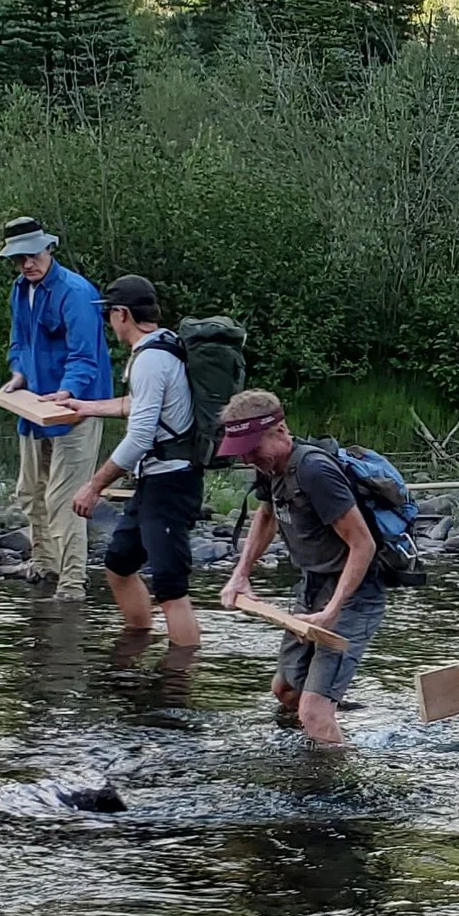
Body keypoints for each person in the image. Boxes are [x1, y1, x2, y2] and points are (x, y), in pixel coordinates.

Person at [217, 389, 383, 745]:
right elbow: (266, 515)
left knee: (311, 712)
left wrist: (330, 612)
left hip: (353, 595)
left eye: (252, 449)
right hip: (311, 584)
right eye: (241, 451)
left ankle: (336, 792)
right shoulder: (271, 466)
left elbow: (363, 544)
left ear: (280, 431)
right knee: (286, 690)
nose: (247, 459)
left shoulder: (314, 470)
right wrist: (240, 576)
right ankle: (332, 735)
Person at [70, 276, 205, 648]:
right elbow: (147, 409)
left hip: (171, 485)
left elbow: (140, 437)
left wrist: (93, 485)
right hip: (155, 481)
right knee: (118, 565)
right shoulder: (165, 345)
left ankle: (179, 682)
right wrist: (90, 407)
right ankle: (135, 644)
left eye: (110, 314)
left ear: (122, 313)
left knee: (171, 588)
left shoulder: (150, 359)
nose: (109, 322)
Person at [0, 218, 110, 600]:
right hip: (34, 406)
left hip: (75, 406)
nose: (27, 264)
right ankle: (44, 564)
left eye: (33, 255)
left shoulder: (75, 293)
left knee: (64, 496)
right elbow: (19, 341)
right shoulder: (19, 290)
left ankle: (73, 583)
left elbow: (85, 357)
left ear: (49, 249)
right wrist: (18, 374)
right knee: (30, 490)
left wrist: (66, 392)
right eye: (19, 259)